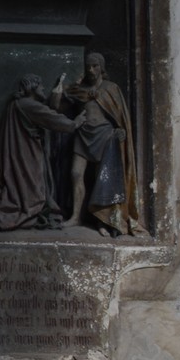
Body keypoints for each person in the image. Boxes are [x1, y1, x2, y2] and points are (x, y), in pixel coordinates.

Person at [62, 52, 147, 236]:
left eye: (95, 66)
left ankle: (103, 221)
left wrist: (120, 130)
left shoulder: (111, 88)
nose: (91, 69)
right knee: (76, 173)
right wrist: (59, 90)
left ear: (102, 67)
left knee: (104, 179)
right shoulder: (80, 89)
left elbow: (120, 115)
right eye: (88, 66)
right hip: (83, 134)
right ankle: (76, 216)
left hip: (104, 135)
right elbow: (59, 103)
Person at [0, 74, 80, 230]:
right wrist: (74, 124)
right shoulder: (29, 104)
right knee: (32, 189)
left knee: (24, 186)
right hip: (27, 154)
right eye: (40, 86)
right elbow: (51, 118)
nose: (43, 88)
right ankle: (30, 209)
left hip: (19, 154)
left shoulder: (16, 104)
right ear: (32, 87)